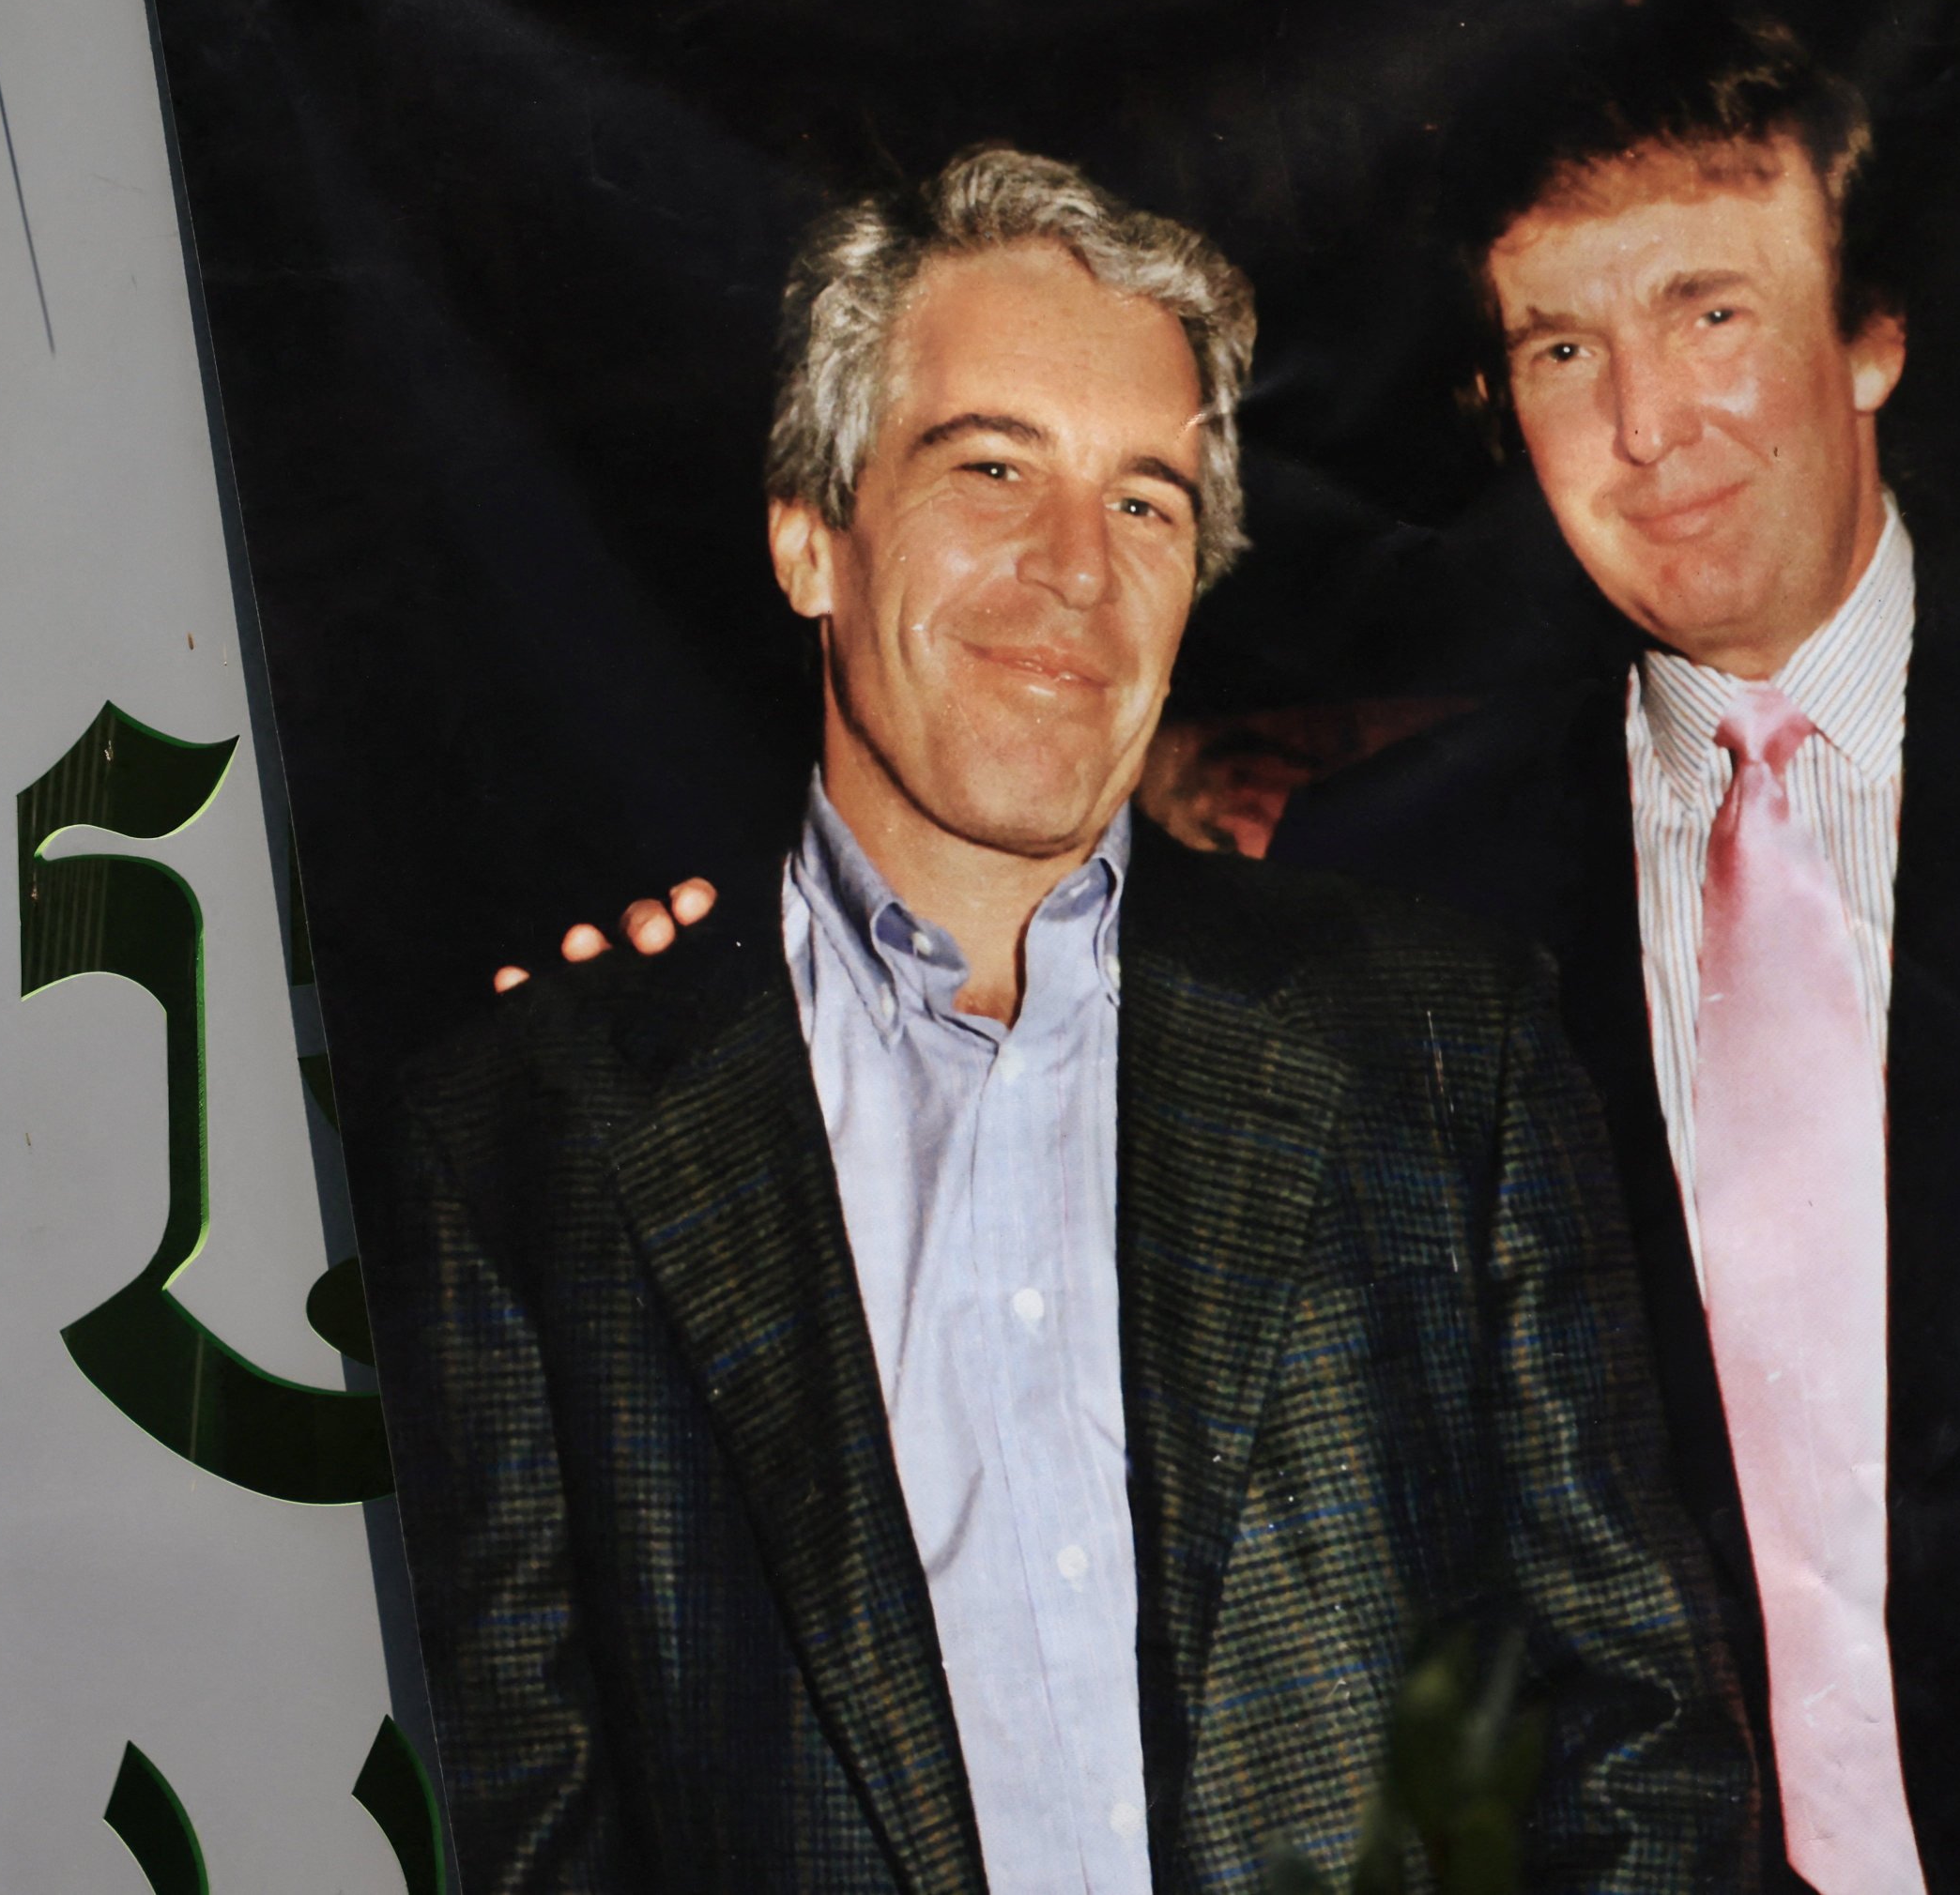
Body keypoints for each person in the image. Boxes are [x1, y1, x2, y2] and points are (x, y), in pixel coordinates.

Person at [388, 146, 1759, 1894]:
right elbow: (527, 1838)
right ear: (812, 536)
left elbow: (1649, 1747)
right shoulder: (528, 1143)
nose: (1075, 572)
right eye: (989, 470)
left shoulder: (1438, 1048)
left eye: (1145, 504)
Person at [1269, 26, 1960, 1891]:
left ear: (1870, 337)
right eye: (1559, 349)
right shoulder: (1392, 898)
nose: (1641, 426)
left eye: (1707, 313)